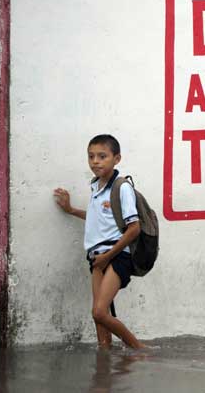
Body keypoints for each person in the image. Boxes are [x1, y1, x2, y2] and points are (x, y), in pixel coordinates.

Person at [53, 134, 146, 349]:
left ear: (117, 158)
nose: (95, 161)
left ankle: (140, 350)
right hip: (97, 258)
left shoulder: (122, 188)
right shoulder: (95, 186)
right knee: (99, 320)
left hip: (116, 256)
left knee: (99, 312)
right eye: (91, 156)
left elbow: (134, 229)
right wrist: (71, 210)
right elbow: (98, 217)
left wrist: (108, 256)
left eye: (102, 156)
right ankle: (104, 363)